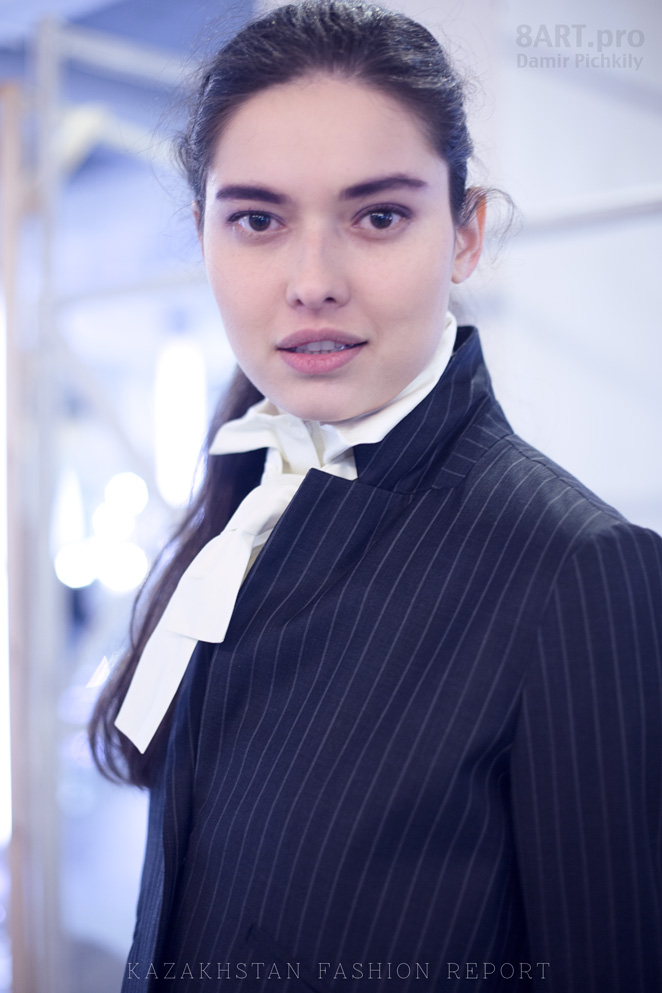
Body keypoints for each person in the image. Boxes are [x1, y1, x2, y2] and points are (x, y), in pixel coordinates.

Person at [88, 2, 662, 990]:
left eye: (379, 216)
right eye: (258, 220)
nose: (312, 281)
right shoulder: (248, 499)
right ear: (202, 234)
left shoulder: (579, 571)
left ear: (466, 234)